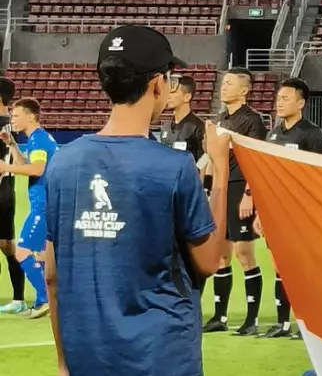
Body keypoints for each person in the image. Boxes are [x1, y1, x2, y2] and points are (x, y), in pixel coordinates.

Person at [44, 24, 231, 376]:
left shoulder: (61, 163)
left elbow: (52, 274)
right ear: (158, 83)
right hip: (161, 356)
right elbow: (209, 261)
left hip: (88, 354)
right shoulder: (175, 166)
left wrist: (63, 361)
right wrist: (220, 170)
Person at [257, 78, 322, 340]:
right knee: (279, 267)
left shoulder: (311, 133)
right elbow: (266, 174)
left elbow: (318, 175)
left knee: (301, 268)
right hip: (275, 209)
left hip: (300, 210)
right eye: (278, 98)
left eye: (286, 98)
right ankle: (282, 323)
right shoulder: (273, 134)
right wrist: (260, 210)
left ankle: (308, 325)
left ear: (301, 103)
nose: (279, 102)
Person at [204, 68, 267, 336]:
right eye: (223, 82)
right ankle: (220, 316)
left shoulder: (252, 121)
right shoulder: (220, 119)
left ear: (244, 90)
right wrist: (208, 190)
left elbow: (257, 161)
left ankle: (252, 320)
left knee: (244, 253)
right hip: (222, 189)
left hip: (241, 188)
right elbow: (211, 160)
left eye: (230, 83)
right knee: (221, 255)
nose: (223, 86)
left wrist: (249, 195)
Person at [0, 97, 57, 318]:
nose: (12, 119)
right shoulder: (36, 139)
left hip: (43, 205)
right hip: (44, 203)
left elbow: (37, 170)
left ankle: (44, 299)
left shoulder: (39, 140)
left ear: (31, 116)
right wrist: (12, 145)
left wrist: (5, 167)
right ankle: (51, 298)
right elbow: (26, 165)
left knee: (22, 251)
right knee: (42, 255)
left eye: (16, 115)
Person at [0, 76, 25, 315]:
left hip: (2, 187)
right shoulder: (11, 123)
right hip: (7, 189)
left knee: (6, 245)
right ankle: (18, 298)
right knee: (7, 245)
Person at [159, 74, 208, 175]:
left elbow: (205, 158)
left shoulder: (198, 127)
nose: (169, 96)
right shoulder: (165, 128)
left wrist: (198, 179)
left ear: (187, 97)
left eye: (174, 92)